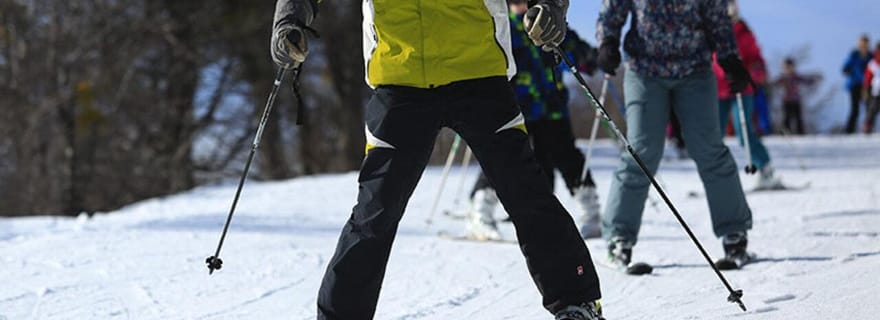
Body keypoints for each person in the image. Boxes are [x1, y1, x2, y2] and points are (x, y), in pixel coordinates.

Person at [271, 0, 603, 319]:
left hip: (479, 72)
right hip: (399, 80)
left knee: (526, 193)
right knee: (375, 213)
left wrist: (551, 7)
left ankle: (578, 304)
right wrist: (288, 20)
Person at [596, 0, 754, 268]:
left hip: (695, 71)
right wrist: (608, 41)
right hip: (645, 71)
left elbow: (716, 16)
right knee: (641, 152)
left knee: (709, 148)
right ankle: (618, 238)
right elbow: (612, 11)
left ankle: (734, 233)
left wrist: (729, 57)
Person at [465, 0, 603, 241]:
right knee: (502, 158)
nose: (520, 6)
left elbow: (574, 46)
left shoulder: (545, 20)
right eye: (515, 1)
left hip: (552, 107)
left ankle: (591, 214)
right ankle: (481, 214)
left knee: (568, 157)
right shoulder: (502, 26)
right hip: (516, 108)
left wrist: (592, 58)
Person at [712, 0, 782, 190]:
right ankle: (715, 177)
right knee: (714, 134)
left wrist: (753, 73)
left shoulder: (743, 32)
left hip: (741, 89)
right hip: (719, 89)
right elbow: (709, 60)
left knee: (743, 132)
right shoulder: (711, 30)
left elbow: (757, 60)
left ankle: (765, 168)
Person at [773, 58, 821, 135]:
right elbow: (775, 84)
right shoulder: (783, 78)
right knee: (787, 117)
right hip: (786, 100)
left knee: (798, 117)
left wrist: (813, 80)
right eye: (786, 68)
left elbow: (805, 81)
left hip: (796, 100)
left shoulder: (796, 77)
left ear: (793, 67)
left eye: (790, 67)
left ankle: (800, 133)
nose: (788, 69)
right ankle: (785, 132)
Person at [842, 35, 872, 134]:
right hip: (854, 85)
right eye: (862, 44)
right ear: (859, 44)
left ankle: (868, 129)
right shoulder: (854, 55)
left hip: (867, 86)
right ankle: (849, 131)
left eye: (865, 44)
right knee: (855, 109)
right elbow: (845, 67)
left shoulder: (871, 56)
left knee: (869, 108)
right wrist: (848, 70)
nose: (863, 46)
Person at [863, 44, 880, 133]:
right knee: (873, 109)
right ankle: (868, 126)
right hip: (876, 91)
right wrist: (866, 89)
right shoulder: (872, 64)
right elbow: (868, 78)